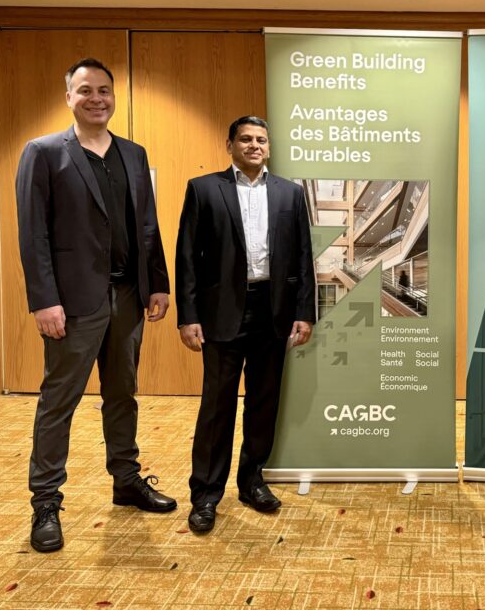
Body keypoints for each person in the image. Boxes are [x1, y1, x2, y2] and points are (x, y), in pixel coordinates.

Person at [16, 58, 176, 554]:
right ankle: (46, 503)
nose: (96, 98)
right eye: (85, 90)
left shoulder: (132, 153)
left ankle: (126, 480)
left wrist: (157, 284)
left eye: (104, 90)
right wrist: (45, 300)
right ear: (69, 97)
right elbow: (33, 234)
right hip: (74, 303)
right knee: (58, 402)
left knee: (123, 394)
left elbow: (147, 226)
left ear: (113, 96)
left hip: (128, 296)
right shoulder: (43, 153)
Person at [176, 115, 316, 533]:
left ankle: (252, 480)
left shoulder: (290, 193)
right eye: (245, 139)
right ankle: (205, 494)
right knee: (216, 408)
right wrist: (189, 315)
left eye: (260, 140)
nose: (254, 145)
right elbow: (186, 257)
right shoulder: (203, 189)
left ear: (268, 147)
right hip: (222, 312)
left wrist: (304, 312)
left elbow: (303, 258)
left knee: (263, 403)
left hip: (273, 311)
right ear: (230, 145)